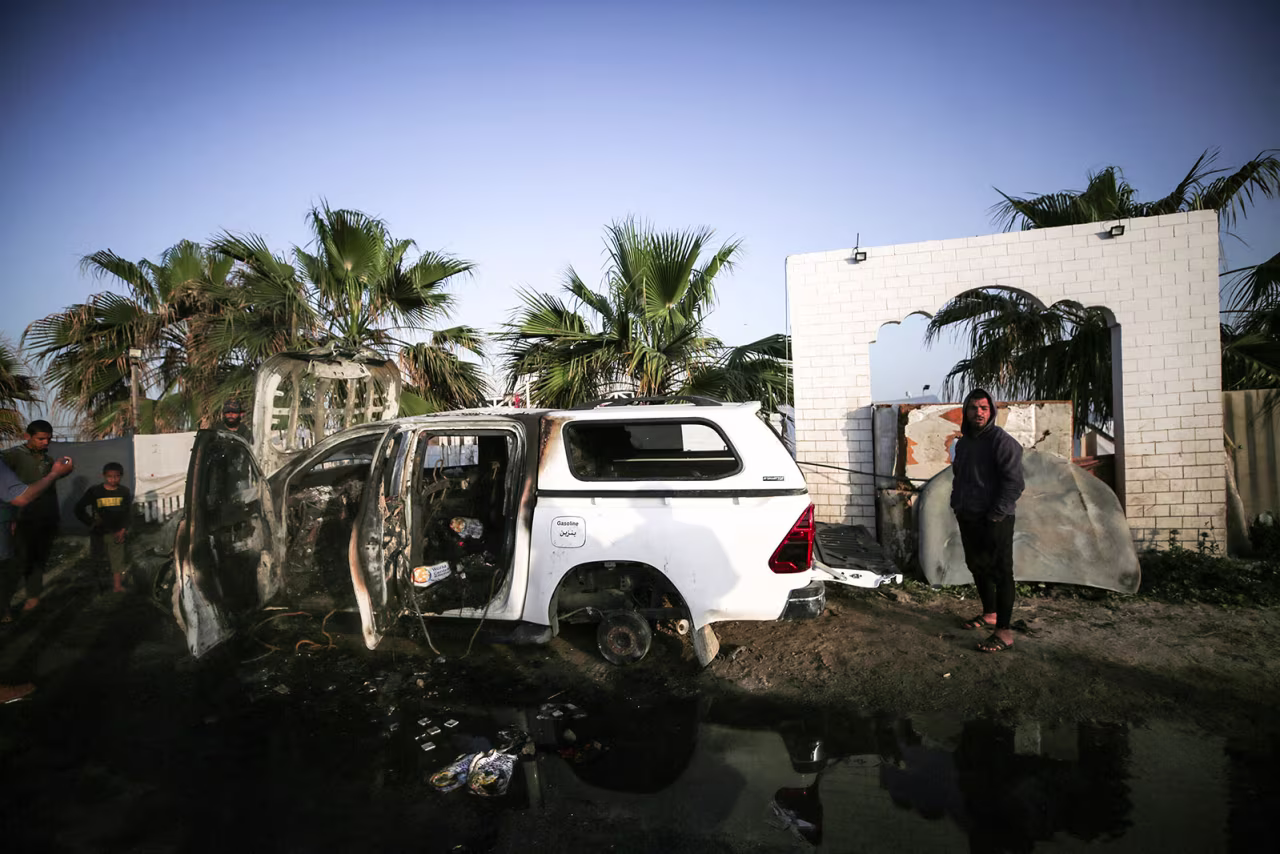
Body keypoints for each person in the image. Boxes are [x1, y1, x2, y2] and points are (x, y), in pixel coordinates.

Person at [950, 389, 1025, 653]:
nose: (978, 412)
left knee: (1001, 572)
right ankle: (990, 613)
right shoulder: (965, 443)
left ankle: (1003, 632)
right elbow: (960, 476)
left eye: (983, 407)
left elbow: (1014, 483)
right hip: (968, 516)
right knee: (977, 566)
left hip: (995, 519)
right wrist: (956, 504)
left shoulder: (1001, 442)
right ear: (965, 411)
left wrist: (996, 515)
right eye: (973, 407)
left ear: (991, 411)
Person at [2, 421, 67, 613]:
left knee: (39, 560)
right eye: (40, 438)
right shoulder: (12, 456)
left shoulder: (47, 459)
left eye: (48, 438)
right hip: (21, 519)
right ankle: (4, 606)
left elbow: (46, 486)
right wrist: (10, 518)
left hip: (45, 518)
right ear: (27, 436)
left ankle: (33, 599)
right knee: (15, 563)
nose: (45, 442)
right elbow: (6, 490)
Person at [73, 461, 132, 594]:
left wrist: (123, 529)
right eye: (110, 476)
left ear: (121, 476)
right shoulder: (95, 491)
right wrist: (91, 522)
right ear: (104, 476)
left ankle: (117, 586)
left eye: (117, 476)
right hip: (98, 532)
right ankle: (98, 587)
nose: (113, 479)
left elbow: (127, 513)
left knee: (117, 559)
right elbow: (78, 508)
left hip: (117, 532)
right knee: (98, 559)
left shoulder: (124, 492)